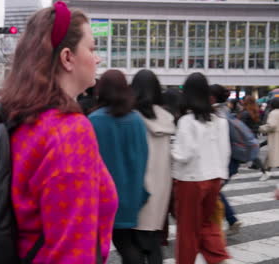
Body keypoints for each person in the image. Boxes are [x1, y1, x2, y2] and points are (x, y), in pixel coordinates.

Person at [0, 2, 118, 263]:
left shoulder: (20, 118)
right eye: (92, 48)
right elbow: (72, 251)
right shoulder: (70, 131)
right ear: (67, 58)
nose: (97, 58)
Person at [89, 69, 148, 264]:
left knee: (94, 247)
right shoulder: (137, 120)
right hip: (130, 194)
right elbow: (143, 156)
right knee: (126, 243)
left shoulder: (94, 121)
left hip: (101, 197)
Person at [172, 72, 231, 264]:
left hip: (190, 180)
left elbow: (183, 154)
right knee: (207, 223)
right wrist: (221, 175)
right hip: (214, 178)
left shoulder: (186, 122)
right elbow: (225, 151)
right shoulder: (220, 121)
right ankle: (219, 257)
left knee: (187, 229)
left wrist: (169, 150)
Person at [132, 69, 175, 263]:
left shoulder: (131, 118)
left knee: (136, 245)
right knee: (153, 241)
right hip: (161, 187)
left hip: (139, 187)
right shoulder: (167, 118)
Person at [210, 84, 243, 236]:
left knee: (214, 191)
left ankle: (226, 222)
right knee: (215, 191)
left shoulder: (217, 114)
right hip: (231, 159)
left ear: (212, 97)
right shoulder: (227, 111)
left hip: (225, 160)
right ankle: (231, 220)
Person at [238, 95, 270, 181]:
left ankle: (265, 172)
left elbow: (241, 126)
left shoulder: (245, 113)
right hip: (252, 136)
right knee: (250, 155)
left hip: (245, 137)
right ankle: (264, 172)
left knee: (253, 155)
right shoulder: (255, 111)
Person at [259, 97, 279, 175]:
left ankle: (265, 171)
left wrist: (261, 128)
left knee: (273, 154)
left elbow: (271, 126)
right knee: (272, 155)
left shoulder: (273, 113)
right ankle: (266, 170)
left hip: (275, 136)